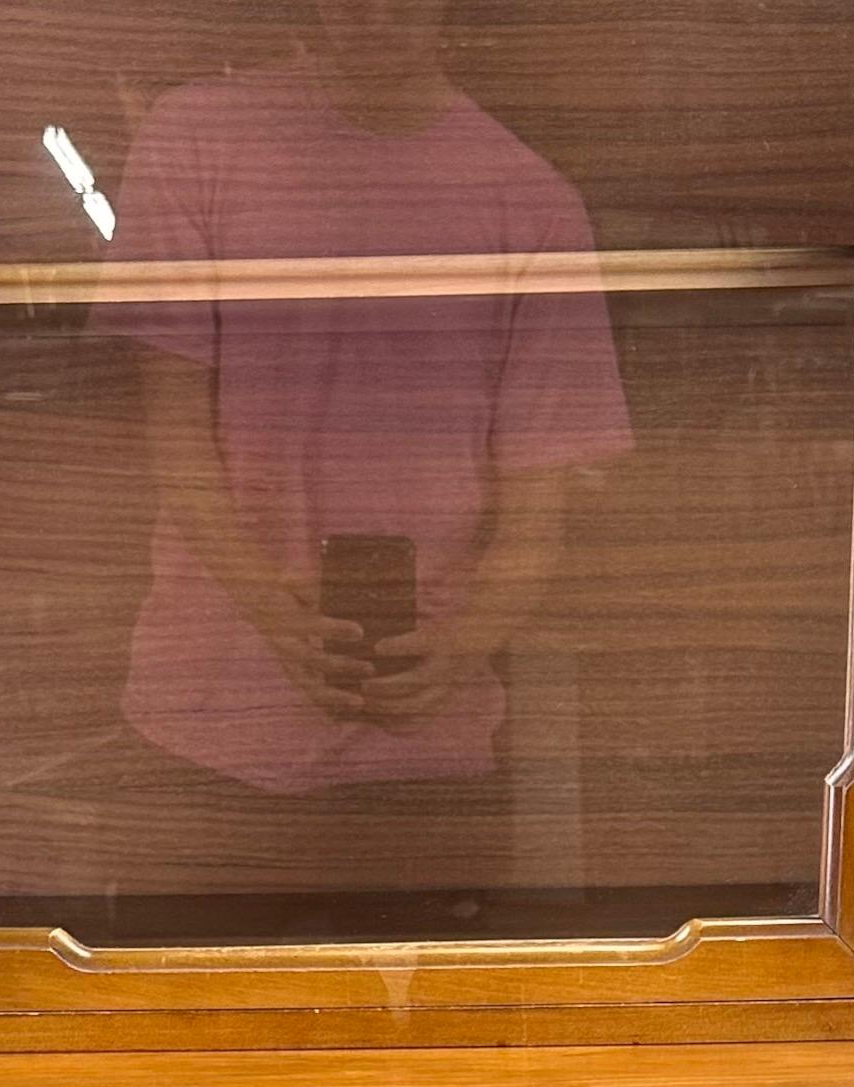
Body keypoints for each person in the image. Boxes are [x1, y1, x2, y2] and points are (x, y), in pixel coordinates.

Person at [99, 0, 632, 841]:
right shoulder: (194, 137)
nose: (376, 12)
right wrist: (278, 620)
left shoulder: (534, 204)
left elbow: (538, 520)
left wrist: (456, 650)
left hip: (424, 762)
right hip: (203, 731)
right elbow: (172, 443)